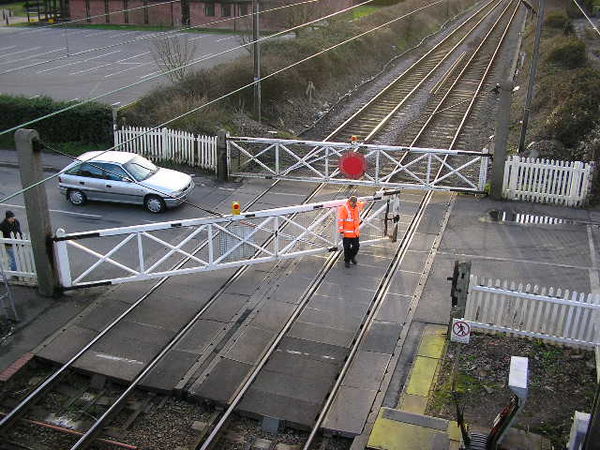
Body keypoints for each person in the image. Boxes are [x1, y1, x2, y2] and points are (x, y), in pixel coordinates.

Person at [338, 195, 364, 268]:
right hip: (346, 233)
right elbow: (341, 221)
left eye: (355, 203)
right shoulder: (344, 208)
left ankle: (351, 257)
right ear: (349, 202)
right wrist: (341, 231)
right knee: (346, 247)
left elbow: (361, 204)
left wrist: (365, 201)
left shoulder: (357, 206)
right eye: (352, 203)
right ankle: (347, 261)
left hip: (355, 233)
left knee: (356, 247)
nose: (354, 204)